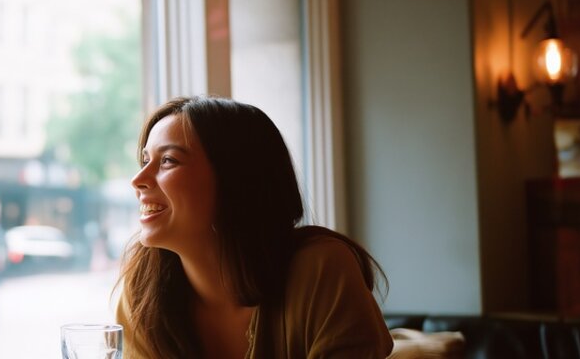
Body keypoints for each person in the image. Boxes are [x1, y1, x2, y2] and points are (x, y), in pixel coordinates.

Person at [115, 95, 393, 358]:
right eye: (145, 160)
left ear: (235, 181)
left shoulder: (321, 270)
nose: (138, 179)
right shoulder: (143, 292)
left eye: (168, 160)